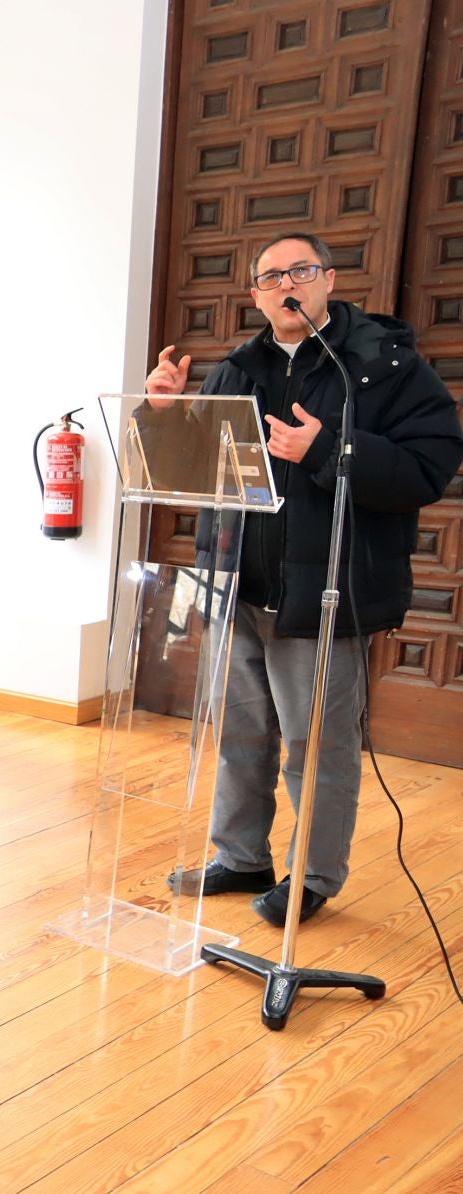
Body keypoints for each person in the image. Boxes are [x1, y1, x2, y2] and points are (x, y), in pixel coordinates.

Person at [149, 230, 463, 926]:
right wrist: (166, 419)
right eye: (270, 277)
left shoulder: (382, 365)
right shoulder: (237, 367)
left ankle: (313, 877)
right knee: (240, 734)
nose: (285, 284)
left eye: (300, 270)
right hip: (237, 588)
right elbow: (197, 475)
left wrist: (330, 448)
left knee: (316, 747)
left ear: (326, 280)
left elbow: (431, 465)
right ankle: (240, 856)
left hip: (324, 596)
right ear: (256, 296)